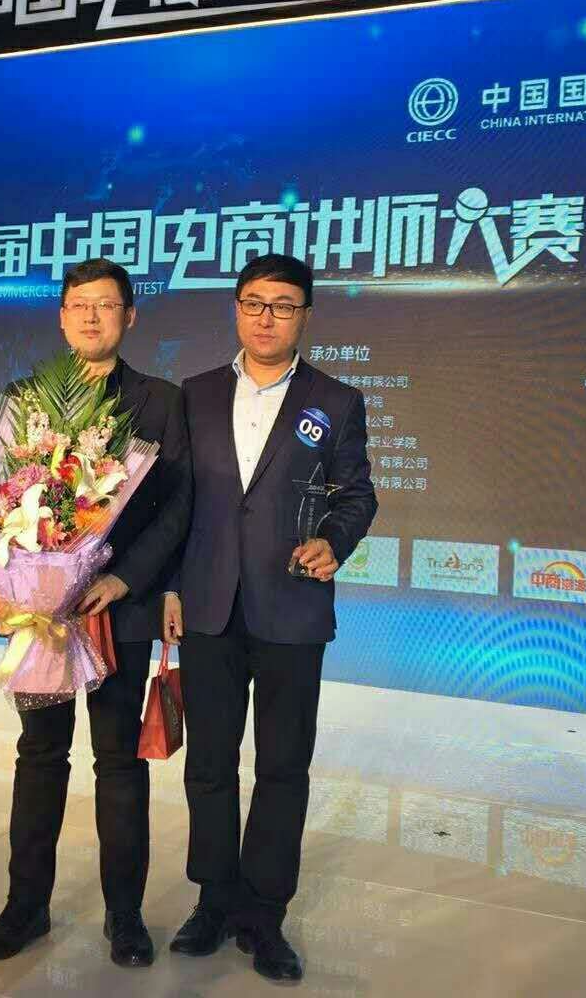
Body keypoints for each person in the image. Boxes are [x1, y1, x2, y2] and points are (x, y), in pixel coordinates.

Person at [163, 253, 377, 982]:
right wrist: (170, 589)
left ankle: (265, 913)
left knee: (283, 767)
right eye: (255, 302)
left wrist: (334, 541)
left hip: (291, 607)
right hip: (209, 606)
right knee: (209, 764)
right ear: (236, 308)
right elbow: (175, 503)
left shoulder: (336, 400)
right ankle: (212, 900)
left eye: (283, 305)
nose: (267, 318)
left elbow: (358, 494)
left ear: (304, 316)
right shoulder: (194, 395)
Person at [0, 258, 191, 968]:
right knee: (39, 755)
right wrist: (9, 588)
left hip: (116, 611)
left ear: (131, 316)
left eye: (106, 304)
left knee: (118, 763)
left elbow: (177, 507)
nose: (91, 316)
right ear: (61, 316)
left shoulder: (160, 402)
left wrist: (125, 581)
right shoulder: (22, 398)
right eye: (78, 305)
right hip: (40, 613)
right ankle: (24, 907)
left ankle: (125, 916)